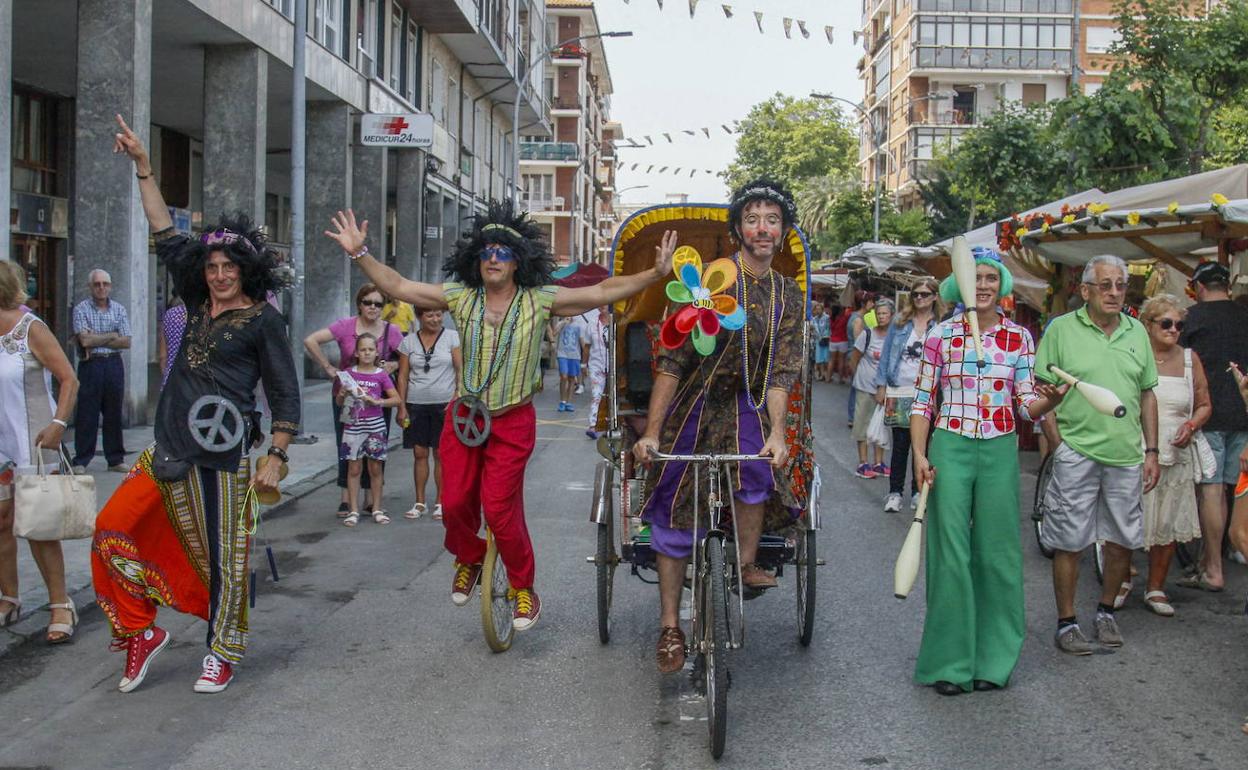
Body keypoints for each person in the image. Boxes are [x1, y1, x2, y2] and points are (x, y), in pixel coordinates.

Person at [325, 200, 672, 633]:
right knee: (452, 504)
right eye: (487, 250)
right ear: (477, 257)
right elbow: (397, 284)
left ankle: (524, 587)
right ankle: (468, 558)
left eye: (503, 251)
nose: (493, 257)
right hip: (464, 417)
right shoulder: (460, 297)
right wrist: (360, 253)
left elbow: (600, 293)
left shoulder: (540, 299)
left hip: (512, 420)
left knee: (501, 509)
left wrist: (654, 274)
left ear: (517, 260)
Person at [94, 114, 300, 693]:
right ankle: (141, 629)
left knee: (225, 559)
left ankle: (222, 650)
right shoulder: (192, 297)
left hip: (228, 456)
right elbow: (164, 232)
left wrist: (276, 455)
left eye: (229, 267)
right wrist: (144, 167)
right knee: (110, 527)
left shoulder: (264, 322)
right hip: (168, 446)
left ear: (247, 272)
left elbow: (285, 395)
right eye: (210, 267)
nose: (218, 275)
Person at [632, 178, 804, 674]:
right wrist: (652, 432)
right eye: (753, 219)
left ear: (783, 230)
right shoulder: (710, 279)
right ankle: (669, 626)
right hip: (693, 404)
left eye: (772, 219)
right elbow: (671, 361)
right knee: (674, 509)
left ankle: (745, 564)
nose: (762, 228)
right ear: (738, 231)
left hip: (747, 405)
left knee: (756, 472)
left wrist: (776, 432)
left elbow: (780, 371)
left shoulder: (787, 295)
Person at [910, 248, 1065, 695]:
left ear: (1001, 286)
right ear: (959, 284)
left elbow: (1025, 405)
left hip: (998, 448)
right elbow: (922, 401)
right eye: (975, 278)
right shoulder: (940, 336)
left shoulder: (1020, 338)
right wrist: (920, 456)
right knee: (950, 554)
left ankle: (994, 660)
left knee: (997, 554)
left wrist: (1052, 401)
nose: (982, 286)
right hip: (950, 445)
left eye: (990, 279)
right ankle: (950, 663)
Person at [1035, 254, 1160, 654]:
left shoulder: (1137, 331)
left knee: (1122, 541)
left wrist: (1152, 450)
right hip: (1077, 451)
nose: (1114, 292)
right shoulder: (1061, 330)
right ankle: (1066, 622)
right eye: (1105, 285)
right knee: (1069, 541)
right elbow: (1042, 392)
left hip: (1125, 454)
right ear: (1085, 290)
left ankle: (1106, 612)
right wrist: (1058, 445)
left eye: (1120, 285)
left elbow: (1147, 393)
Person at [0, 261, 80, 643]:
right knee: (0, 524)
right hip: (0, 446)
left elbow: (68, 378)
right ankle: (9, 598)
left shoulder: (30, 328)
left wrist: (59, 425)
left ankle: (60, 604)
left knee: (38, 528)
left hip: (33, 442)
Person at [1124, 295, 1209, 616]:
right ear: (1148, 325)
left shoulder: (1190, 359)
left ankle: (1156, 587)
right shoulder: (1134, 356)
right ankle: (1119, 580)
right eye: (1166, 323)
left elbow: (1204, 403)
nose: (1174, 330)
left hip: (1175, 452)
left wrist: (1192, 424)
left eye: (1179, 325)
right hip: (1135, 449)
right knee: (1127, 520)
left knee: (1168, 523)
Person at [303, 284, 404, 519]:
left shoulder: (392, 331)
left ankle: (371, 499)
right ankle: (346, 499)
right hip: (347, 398)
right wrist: (327, 366)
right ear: (359, 304)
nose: (373, 307)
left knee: (376, 448)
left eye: (378, 304)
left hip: (376, 400)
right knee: (346, 447)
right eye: (368, 302)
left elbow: (407, 357)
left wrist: (394, 364)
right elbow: (310, 340)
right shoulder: (345, 326)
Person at [1177, 262, 1248, 591]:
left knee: (1211, 490)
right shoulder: (1244, 315)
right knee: (1238, 491)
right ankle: (1234, 547)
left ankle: (1213, 569)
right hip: (1244, 414)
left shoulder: (1190, 318)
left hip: (1209, 413)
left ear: (1199, 287)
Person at [877, 277, 944, 511]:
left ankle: (918, 492)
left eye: (925, 294)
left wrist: (940, 395)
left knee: (924, 445)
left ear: (935, 296)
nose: (919, 298)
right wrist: (881, 386)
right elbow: (886, 355)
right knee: (900, 445)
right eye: (915, 294)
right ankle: (895, 492)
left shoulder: (942, 325)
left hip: (928, 392)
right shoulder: (900, 321)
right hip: (899, 389)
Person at [396, 307, 462, 520]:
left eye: (438, 314)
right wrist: (401, 406)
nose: (435, 319)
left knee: (441, 454)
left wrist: (456, 396)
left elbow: (460, 369)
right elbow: (403, 376)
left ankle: (441, 502)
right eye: (429, 315)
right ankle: (419, 502)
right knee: (419, 453)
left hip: (444, 404)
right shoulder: (409, 342)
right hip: (416, 403)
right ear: (419, 317)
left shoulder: (452, 337)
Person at [336, 333, 400, 527]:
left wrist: (378, 401)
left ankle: (377, 507)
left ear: (377, 352)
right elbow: (340, 403)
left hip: (375, 426)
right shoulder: (349, 374)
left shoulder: (381, 375)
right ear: (356, 352)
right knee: (354, 468)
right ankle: (353, 510)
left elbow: (396, 399)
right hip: (353, 426)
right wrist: (341, 393)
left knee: (375, 468)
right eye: (362, 349)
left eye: (370, 349)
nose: (366, 353)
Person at [70, 268, 131, 473]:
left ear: (110, 286)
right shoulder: (81, 309)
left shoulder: (120, 309)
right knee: (87, 412)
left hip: (113, 364)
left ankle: (115, 459)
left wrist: (98, 338)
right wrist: (112, 335)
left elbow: (126, 341)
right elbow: (84, 340)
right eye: (97, 284)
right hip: (91, 364)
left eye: (105, 284)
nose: (101, 288)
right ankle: (81, 459)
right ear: (90, 287)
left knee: (114, 412)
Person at [850, 298, 894, 478]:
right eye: (879, 314)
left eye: (885, 314)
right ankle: (862, 462)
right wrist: (857, 377)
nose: (882, 317)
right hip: (865, 386)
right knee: (862, 423)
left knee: (881, 425)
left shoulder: (895, 337)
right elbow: (855, 358)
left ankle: (878, 462)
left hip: (886, 388)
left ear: (892, 316)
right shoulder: (867, 335)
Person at [584, 305, 609, 439]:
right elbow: (587, 346)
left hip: (612, 365)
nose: (603, 306)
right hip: (596, 365)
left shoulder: (616, 321)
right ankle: (593, 425)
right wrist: (583, 365)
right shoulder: (592, 323)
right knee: (596, 395)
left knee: (611, 396)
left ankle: (609, 425)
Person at [554, 314, 588, 412]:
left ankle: (568, 402)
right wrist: (564, 322)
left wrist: (586, 357)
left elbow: (582, 342)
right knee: (563, 376)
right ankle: (562, 401)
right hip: (562, 354)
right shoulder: (561, 323)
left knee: (572, 378)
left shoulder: (579, 325)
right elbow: (554, 333)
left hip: (574, 355)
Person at [157, 292, 187, 385]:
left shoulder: (170, 315)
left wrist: (166, 375)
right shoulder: (206, 316)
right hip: (198, 384)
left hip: (172, 378)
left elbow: (163, 356)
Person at [827, 303, 849, 384]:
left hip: (833, 341)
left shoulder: (830, 319)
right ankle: (840, 378)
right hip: (843, 341)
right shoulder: (844, 318)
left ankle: (828, 378)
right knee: (841, 360)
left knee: (831, 360)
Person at [811, 302, 831, 382]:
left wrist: (827, 336)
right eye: (817, 309)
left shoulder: (827, 318)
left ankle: (825, 375)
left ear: (822, 310)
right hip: (818, 341)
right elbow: (814, 329)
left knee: (826, 359)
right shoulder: (814, 319)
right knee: (819, 359)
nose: (818, 311)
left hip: (826, 340)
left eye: (819, 309)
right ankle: (821, 374)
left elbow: (829, 328)